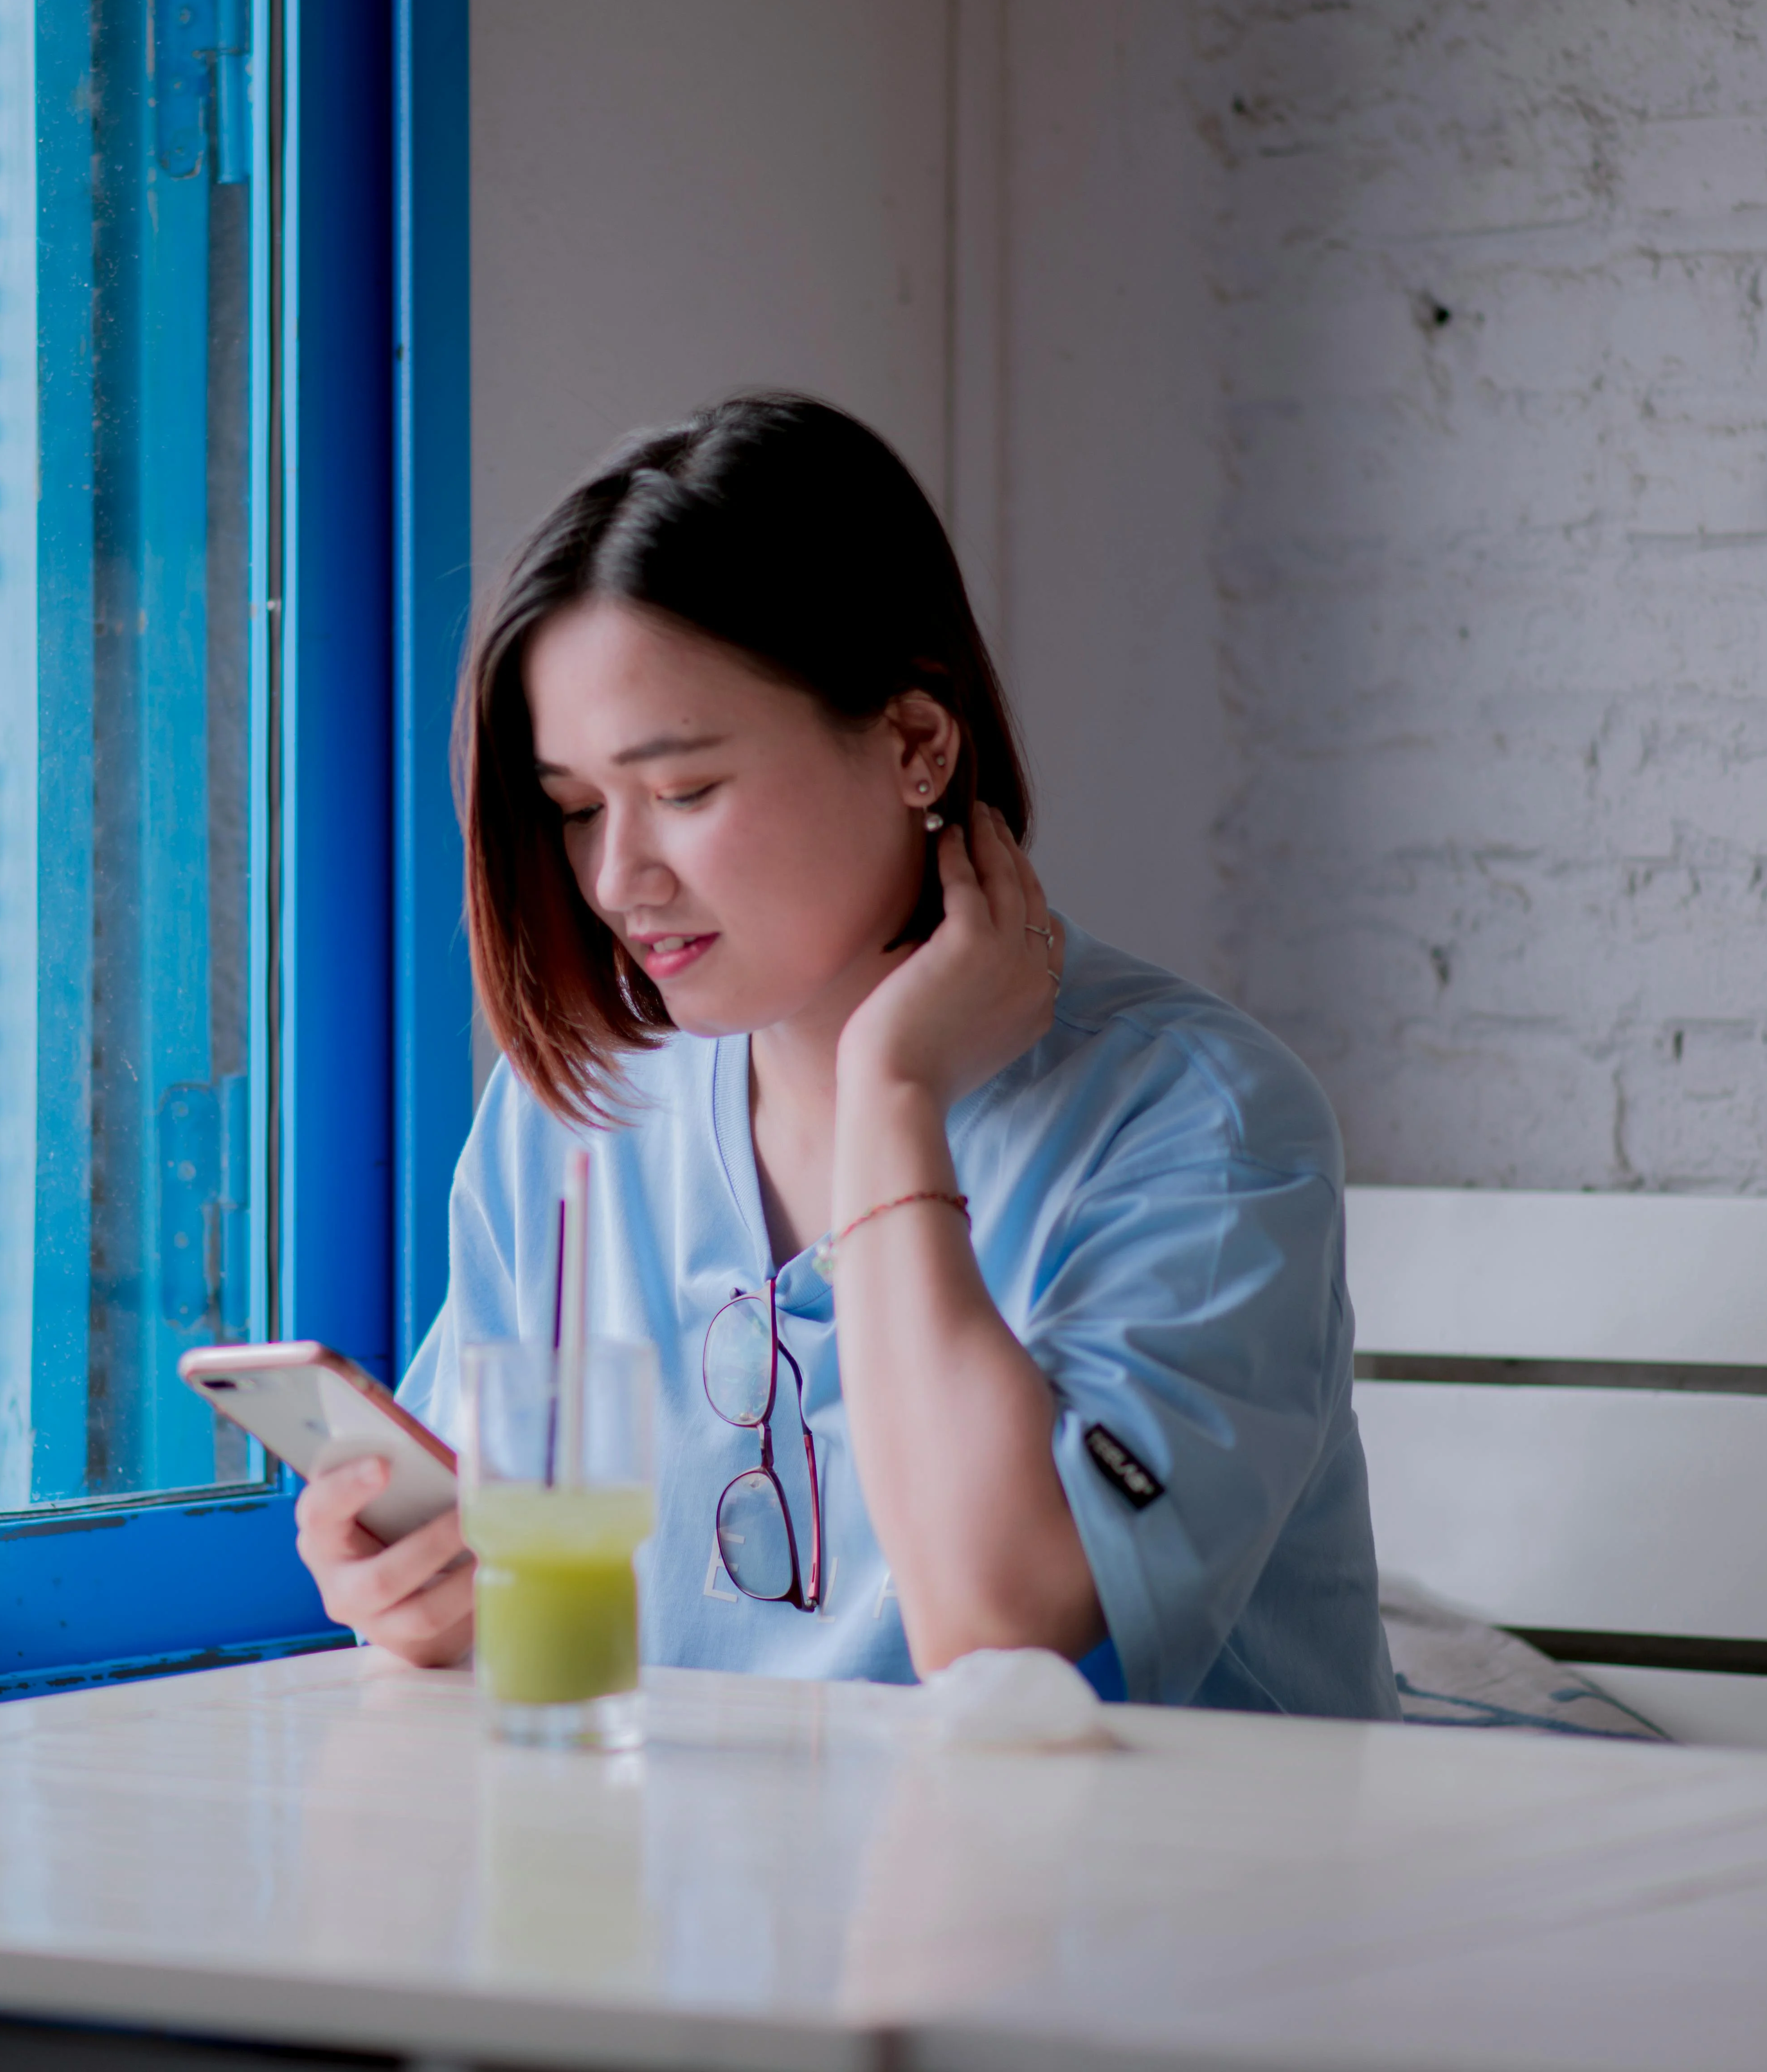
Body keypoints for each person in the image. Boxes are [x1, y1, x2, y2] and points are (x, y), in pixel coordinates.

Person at [297, 392, 1394, 1715]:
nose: (617, 878)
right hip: (708, 1900)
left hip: (1125, 1900)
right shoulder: (573, 1116)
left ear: (916, 744)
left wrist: (893, 1098)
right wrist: (414, 1592)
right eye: (576, 810)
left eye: (686, 792)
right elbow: (505, 1580)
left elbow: (998, 1627)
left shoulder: (1201, 1123)